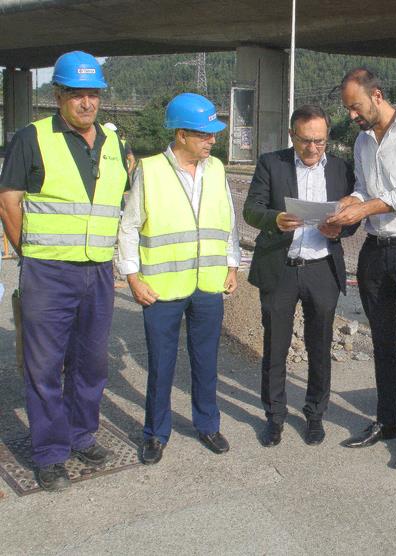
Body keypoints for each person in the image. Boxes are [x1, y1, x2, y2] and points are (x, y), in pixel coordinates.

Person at [0, 51, 129, 491]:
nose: (86, 103)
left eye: (93, 94)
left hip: (96, 272)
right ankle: (50, 452)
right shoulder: (31, 138)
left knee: (90, 363)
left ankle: (81, 435)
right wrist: (30, 254)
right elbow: (9, 201)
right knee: (44, 365)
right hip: (48, 272)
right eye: (77, 95)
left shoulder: (116, 145)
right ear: (58, 95)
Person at [117, 93, 239, 465]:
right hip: (162, 288)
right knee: (161, 365)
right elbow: (129, 228)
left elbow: (228, 221)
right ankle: (155, 433)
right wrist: (133, 278)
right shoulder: (150, 170)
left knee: (206, 362)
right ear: (182, 134)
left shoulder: (216, 169)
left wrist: (232, 265)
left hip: (207, 285)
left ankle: (207, 424)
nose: (212, 140)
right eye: (205, 134)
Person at [327, 67, 396, 469]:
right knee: (381, 342)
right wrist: (347, 203)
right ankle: (386, 421)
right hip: (375, 250)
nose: (353, 116)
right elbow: (364, 186)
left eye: (355, 107)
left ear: (376, 95)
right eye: (348, 109)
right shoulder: (361, 141)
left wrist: (364, 207)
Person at [243, 105, 356, 447]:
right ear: (292, 135)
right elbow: (251, 209)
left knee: (319, 347)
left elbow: (354, 219)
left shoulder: (340, 170)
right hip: (281, 267)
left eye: (320, 141)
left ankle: (315, 414)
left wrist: (338, 231)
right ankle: (275, 417)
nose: (312, 148)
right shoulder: (271, 164)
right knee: (275, 347)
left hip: (321, 269)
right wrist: (276, 219)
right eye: (305, 141)